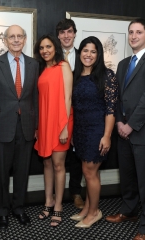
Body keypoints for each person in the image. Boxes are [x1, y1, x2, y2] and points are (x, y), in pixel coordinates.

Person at [105, 18, 145, 240]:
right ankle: (129, 211)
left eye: (139, 32)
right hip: (124, 131)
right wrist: (120, 122)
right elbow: (119, 97)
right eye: (131, 32)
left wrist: (131, 125)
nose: (133, 36)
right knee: (128, 177)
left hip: (144, 132)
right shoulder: (123, 64)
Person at [0, 25, 39, 230]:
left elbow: (35, 99)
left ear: (25, 39)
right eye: (11, 37)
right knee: (2, 173)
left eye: (19, 36)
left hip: (26, 127)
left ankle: (19, 208)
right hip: (1, 128)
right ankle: (2, 211)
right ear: (5, 40)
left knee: (22, 172)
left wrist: (37, 127)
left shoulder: (34, 64)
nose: (16, 40)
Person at [70, 36, 117, 228]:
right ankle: (88, 207)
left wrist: (106, 136)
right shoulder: (76, 75)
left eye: (93, 51)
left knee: (89, 172)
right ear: (80, 52)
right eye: (85, 50)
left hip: (97, 130)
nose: (88, 55)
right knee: (89, 172)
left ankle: (94, 212)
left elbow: (111, 109)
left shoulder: (107, 76)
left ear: (98, 54)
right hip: (80, 130)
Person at [34, 34, 73, 227]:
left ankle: (58, 205)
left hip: (60, 122)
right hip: (44, 123)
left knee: (58, 165)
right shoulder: (41, 69)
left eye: (48, 46)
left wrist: (64, 126)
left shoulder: (63, 66)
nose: (45, 51)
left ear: (55, 47)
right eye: (41, 48)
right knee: (47, 164)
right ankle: (48, 201)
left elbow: (68, 98)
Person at [56, 18, 84, 209]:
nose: (66, 35)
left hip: (79, 112)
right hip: (56, 111)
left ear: (74, 34)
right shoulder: (52, 56)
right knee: (56, 155)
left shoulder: (84, 56)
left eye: (69, 31)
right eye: (62, 32)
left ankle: (75, 192)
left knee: (76, 154)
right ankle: (54, 195)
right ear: (58, 36)